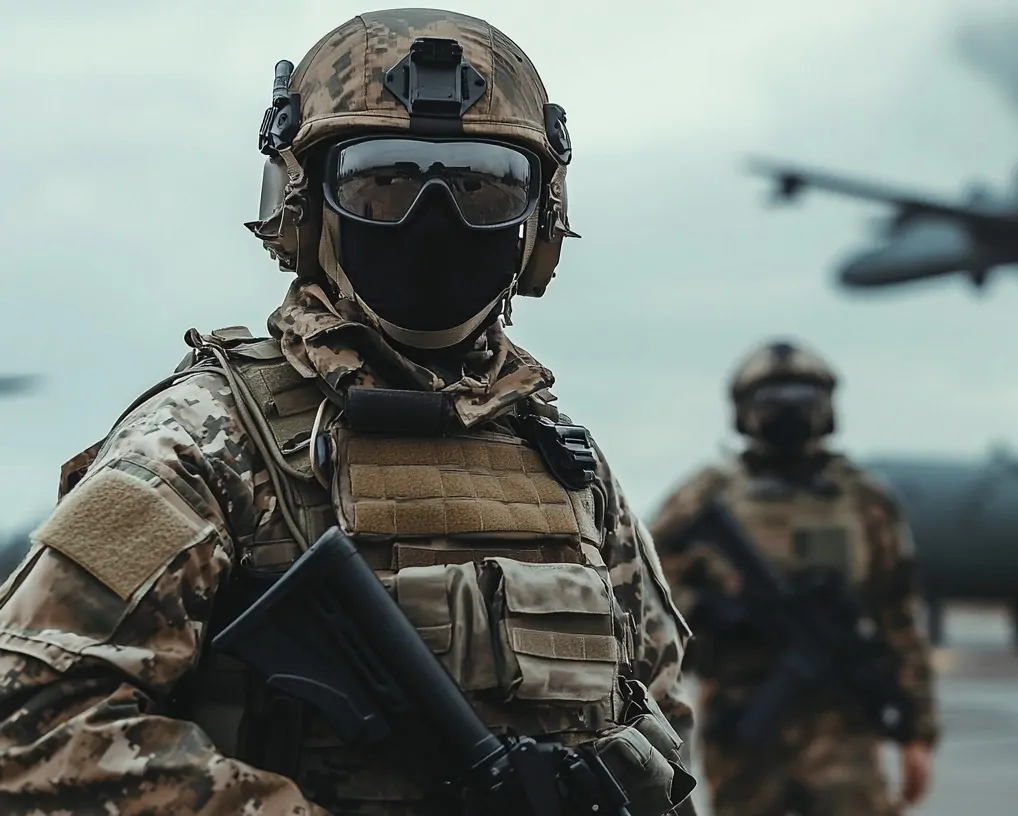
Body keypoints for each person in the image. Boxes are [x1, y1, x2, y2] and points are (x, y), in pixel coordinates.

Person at [0, 9, 696, 815]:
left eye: (483, 187)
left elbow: (663, 721)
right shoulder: (202, 439)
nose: (433, 219)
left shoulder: (562, 460)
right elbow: (28, 726)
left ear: (537, 220)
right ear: (305, 204)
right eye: (384, 183)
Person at [650, 340, 939, 816]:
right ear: (744, 412)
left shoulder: (866, 502)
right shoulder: (704, 499)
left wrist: (917, 734)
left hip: (844, 731)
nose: (787, 413)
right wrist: (711, 615)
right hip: (745, 723)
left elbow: (899, 618)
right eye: (770, 401)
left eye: (802, 400)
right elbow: (646, 589)